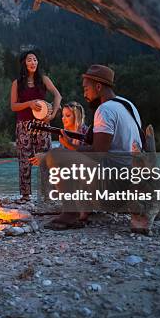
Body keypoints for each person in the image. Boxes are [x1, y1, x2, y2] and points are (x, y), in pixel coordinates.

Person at [42, 64, 148, 230]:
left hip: (114, 188)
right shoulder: (128, 105)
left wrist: (70, 146)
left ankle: (71, 214)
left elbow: (99, 152)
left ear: (98, 87)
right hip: (133, 183)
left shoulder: (105, 110)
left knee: (54, 156)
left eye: (86, 89)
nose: (85, 94)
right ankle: (85, 208)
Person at [10, 50, 61, 203]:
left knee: (46, 158)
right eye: (29, 60)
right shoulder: (17, 83)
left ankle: (48, 194)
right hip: (24, 125)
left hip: (42, 125)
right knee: (25, 159)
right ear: (24, 64)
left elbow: (58, 96)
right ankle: (25, 196)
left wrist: (52, 115)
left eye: (35, 60)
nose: (33, 62)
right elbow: (13, 106)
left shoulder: (44, 79)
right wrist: (29, 104)